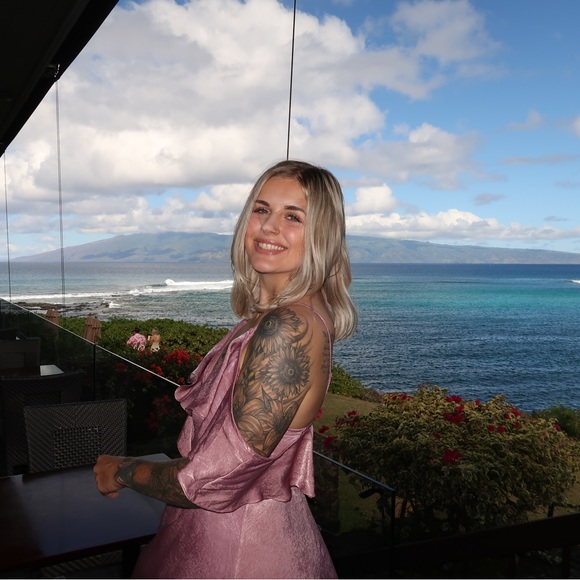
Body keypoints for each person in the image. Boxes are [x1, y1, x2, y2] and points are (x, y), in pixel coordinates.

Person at [93, 160, 358, 579]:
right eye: (261, 209)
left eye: (293, 217)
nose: (269, 226)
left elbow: (214, 478)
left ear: (321, 235)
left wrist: (122, 471)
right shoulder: (273, 319)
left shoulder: (288, 327)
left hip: (239, 554)